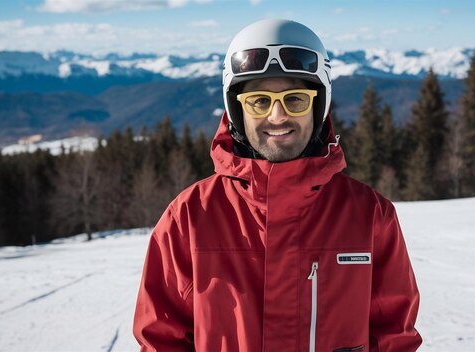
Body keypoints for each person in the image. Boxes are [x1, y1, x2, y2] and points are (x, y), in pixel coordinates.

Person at [133, 19, 421, 351]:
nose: (277, 116)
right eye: (259, 101)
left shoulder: (369, 214)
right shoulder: (189, 217)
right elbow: (160, 339)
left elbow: (394, 336)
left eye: (295, 100)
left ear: (318, 104)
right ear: (237, 109)